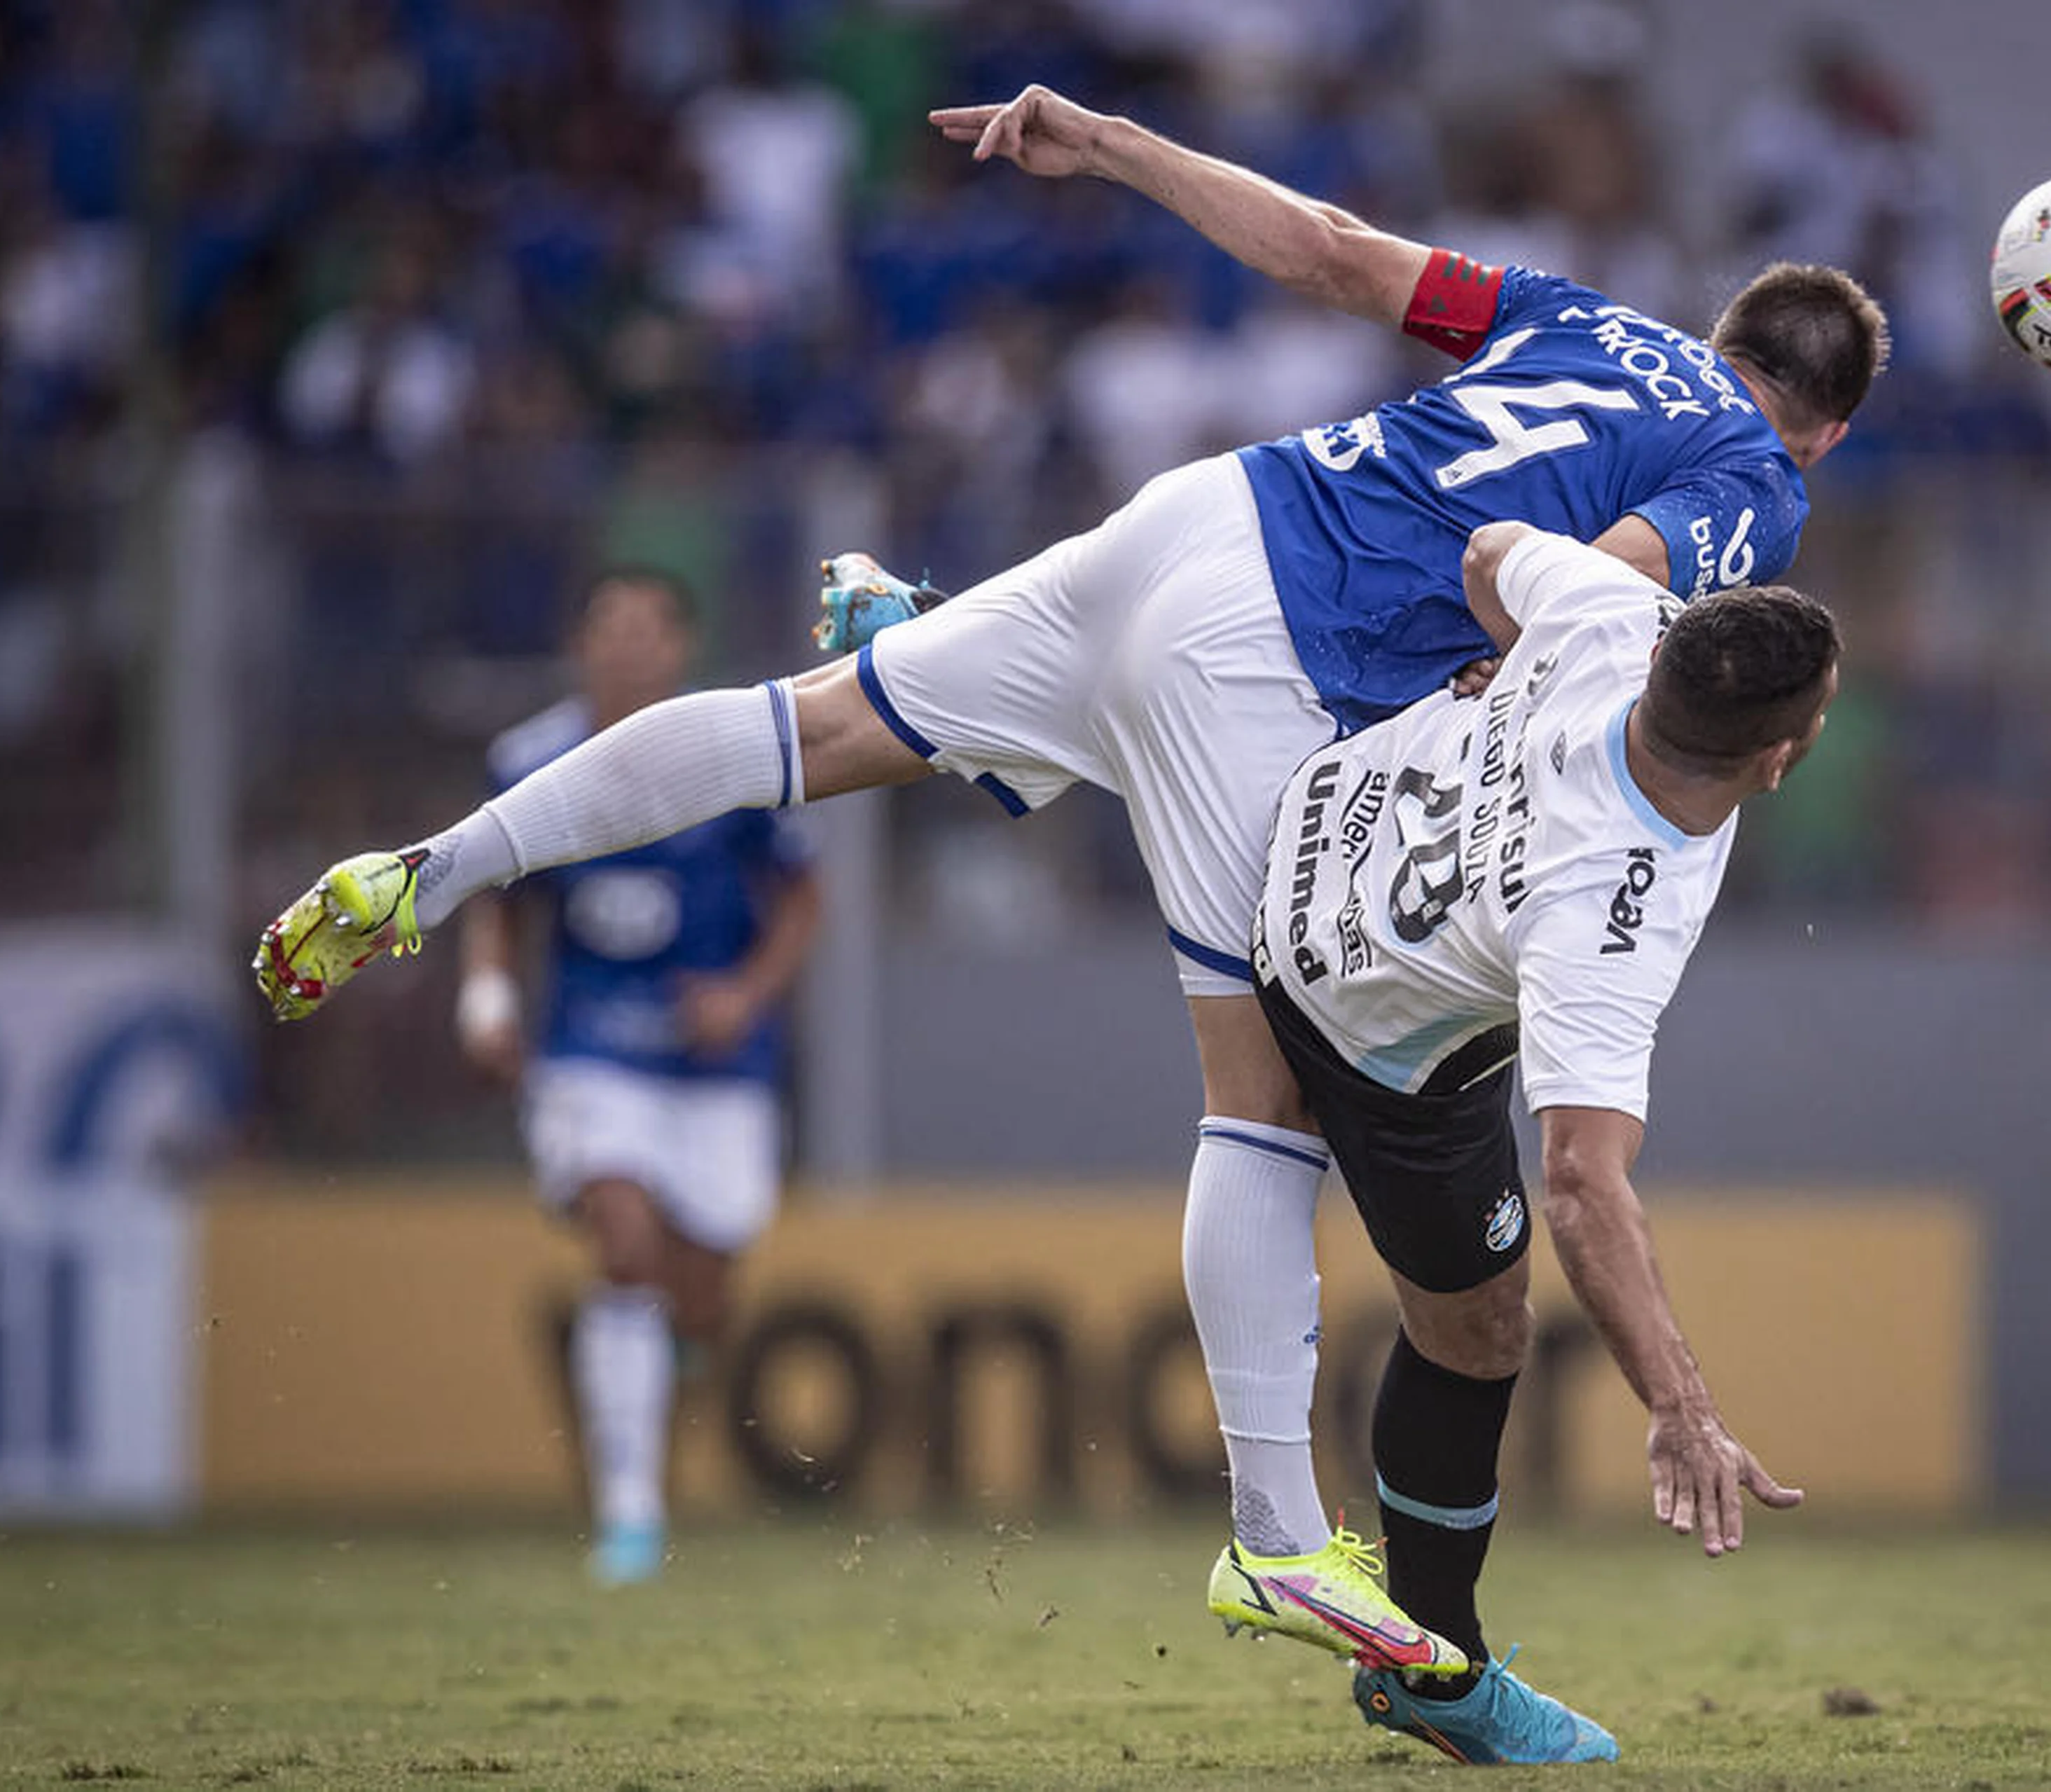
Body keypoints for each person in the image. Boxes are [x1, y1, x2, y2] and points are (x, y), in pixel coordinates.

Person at [253, 83, 1884, 1674]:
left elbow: (1324, 248)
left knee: (796, 729)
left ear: (1725, 327)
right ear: (1823, 418)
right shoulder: (1762, 480)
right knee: (1264, 1096)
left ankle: (436, 868)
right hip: (1276, 662)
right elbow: (1597, 607)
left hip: (1202, 515)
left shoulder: (1585, 317)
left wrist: (1108, 144)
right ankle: (1270, 1531)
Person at [1252, 519, 1835, 1762]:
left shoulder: (1617, 618)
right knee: (1481, 1330)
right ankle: (1434, 1667)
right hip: (1364, 1006)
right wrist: (1680, 1408)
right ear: (1779, 758)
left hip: (1320, 811)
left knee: (1473, 1303)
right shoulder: (1611, 911)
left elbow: (1489, 550)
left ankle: (1415, 1639)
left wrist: (1505, 656)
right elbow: (1579, 1182)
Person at [456, 568, 822, 1585]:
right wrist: (486, 1000)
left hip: (716, 1063)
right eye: (607, 627)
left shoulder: (733, 751)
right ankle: (628, 1512)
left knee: (700, 1293)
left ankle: (652, 1386)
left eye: (647, 630)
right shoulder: (528, 760)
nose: (627, 647)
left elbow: (801, 896)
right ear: (581, 645)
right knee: (625, 1244)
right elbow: (494, 894)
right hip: (592, 1049)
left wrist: (746, 996)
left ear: (679, 649)